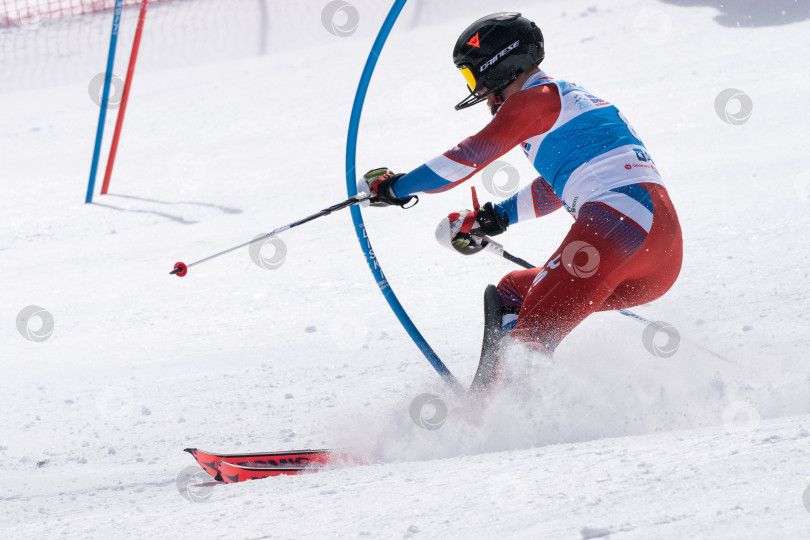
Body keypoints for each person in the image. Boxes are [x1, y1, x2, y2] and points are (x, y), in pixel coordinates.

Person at [359, 12, 682, 392]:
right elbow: (555, 188)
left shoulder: (533, 100)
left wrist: (396, 187)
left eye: (471, 75)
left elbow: (467, 157)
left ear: (496, 65)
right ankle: (497, 401)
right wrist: (495, 217)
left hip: (619, 226)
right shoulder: (569, 100)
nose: (475, 88)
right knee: (513, 291)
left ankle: (522, 426)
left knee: (528, 342)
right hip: (662, 252)